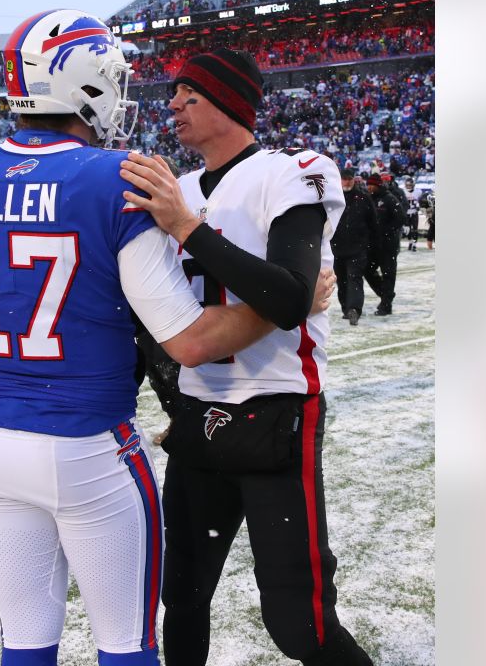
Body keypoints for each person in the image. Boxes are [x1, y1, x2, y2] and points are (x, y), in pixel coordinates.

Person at [0, 10, 301, 666]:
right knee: (126, 647)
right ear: (87, 83)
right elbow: (188, 342)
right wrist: (280, 306)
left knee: (27, 642)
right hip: (87, 448)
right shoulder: (112, 177)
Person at [119, 48, 374, 666]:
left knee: (299, 625)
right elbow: (147, 320)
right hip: (199, 414)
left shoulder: (290, 173)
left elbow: (288, 296)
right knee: (180, 599)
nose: (172, 104)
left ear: (230, 103)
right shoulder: (173, 190)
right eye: (174, 94)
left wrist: (187, 228)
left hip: (276, 413)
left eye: (191, 95)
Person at [329, 168, 378, 326]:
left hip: (357, 248)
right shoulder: (333, 198)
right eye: (344, 178)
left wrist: (370, 245)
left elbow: (373, 223)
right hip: (337, 247)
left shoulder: (363, 198)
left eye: (349, 178)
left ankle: (354, 309)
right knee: (341, 280)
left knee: (354, 279)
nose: (347, 181)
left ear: (354, 180)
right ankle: (346, 308)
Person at [362, 173, 401, 316]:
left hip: (388, 245)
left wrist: (385, 231)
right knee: (367, 270)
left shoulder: (389, 199)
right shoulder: (367, 198)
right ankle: (386, 295)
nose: (369, 187)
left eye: (371, 185)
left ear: (378, 185)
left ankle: (386, 305)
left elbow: (400, 218)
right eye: (368, 185)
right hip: (372, 245)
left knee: (388, 274)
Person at [403, 176, 421, 251]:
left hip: (414, 213)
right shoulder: (403, 191)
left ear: (413, 185)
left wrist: (418, 206)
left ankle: (414, 244)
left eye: (410, 185)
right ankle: (410, 242)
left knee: (415, 229)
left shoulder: (418, 192)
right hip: (407, 213)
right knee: (408, 229)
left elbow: (420, 202)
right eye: (407, 185)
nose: (408, 187)